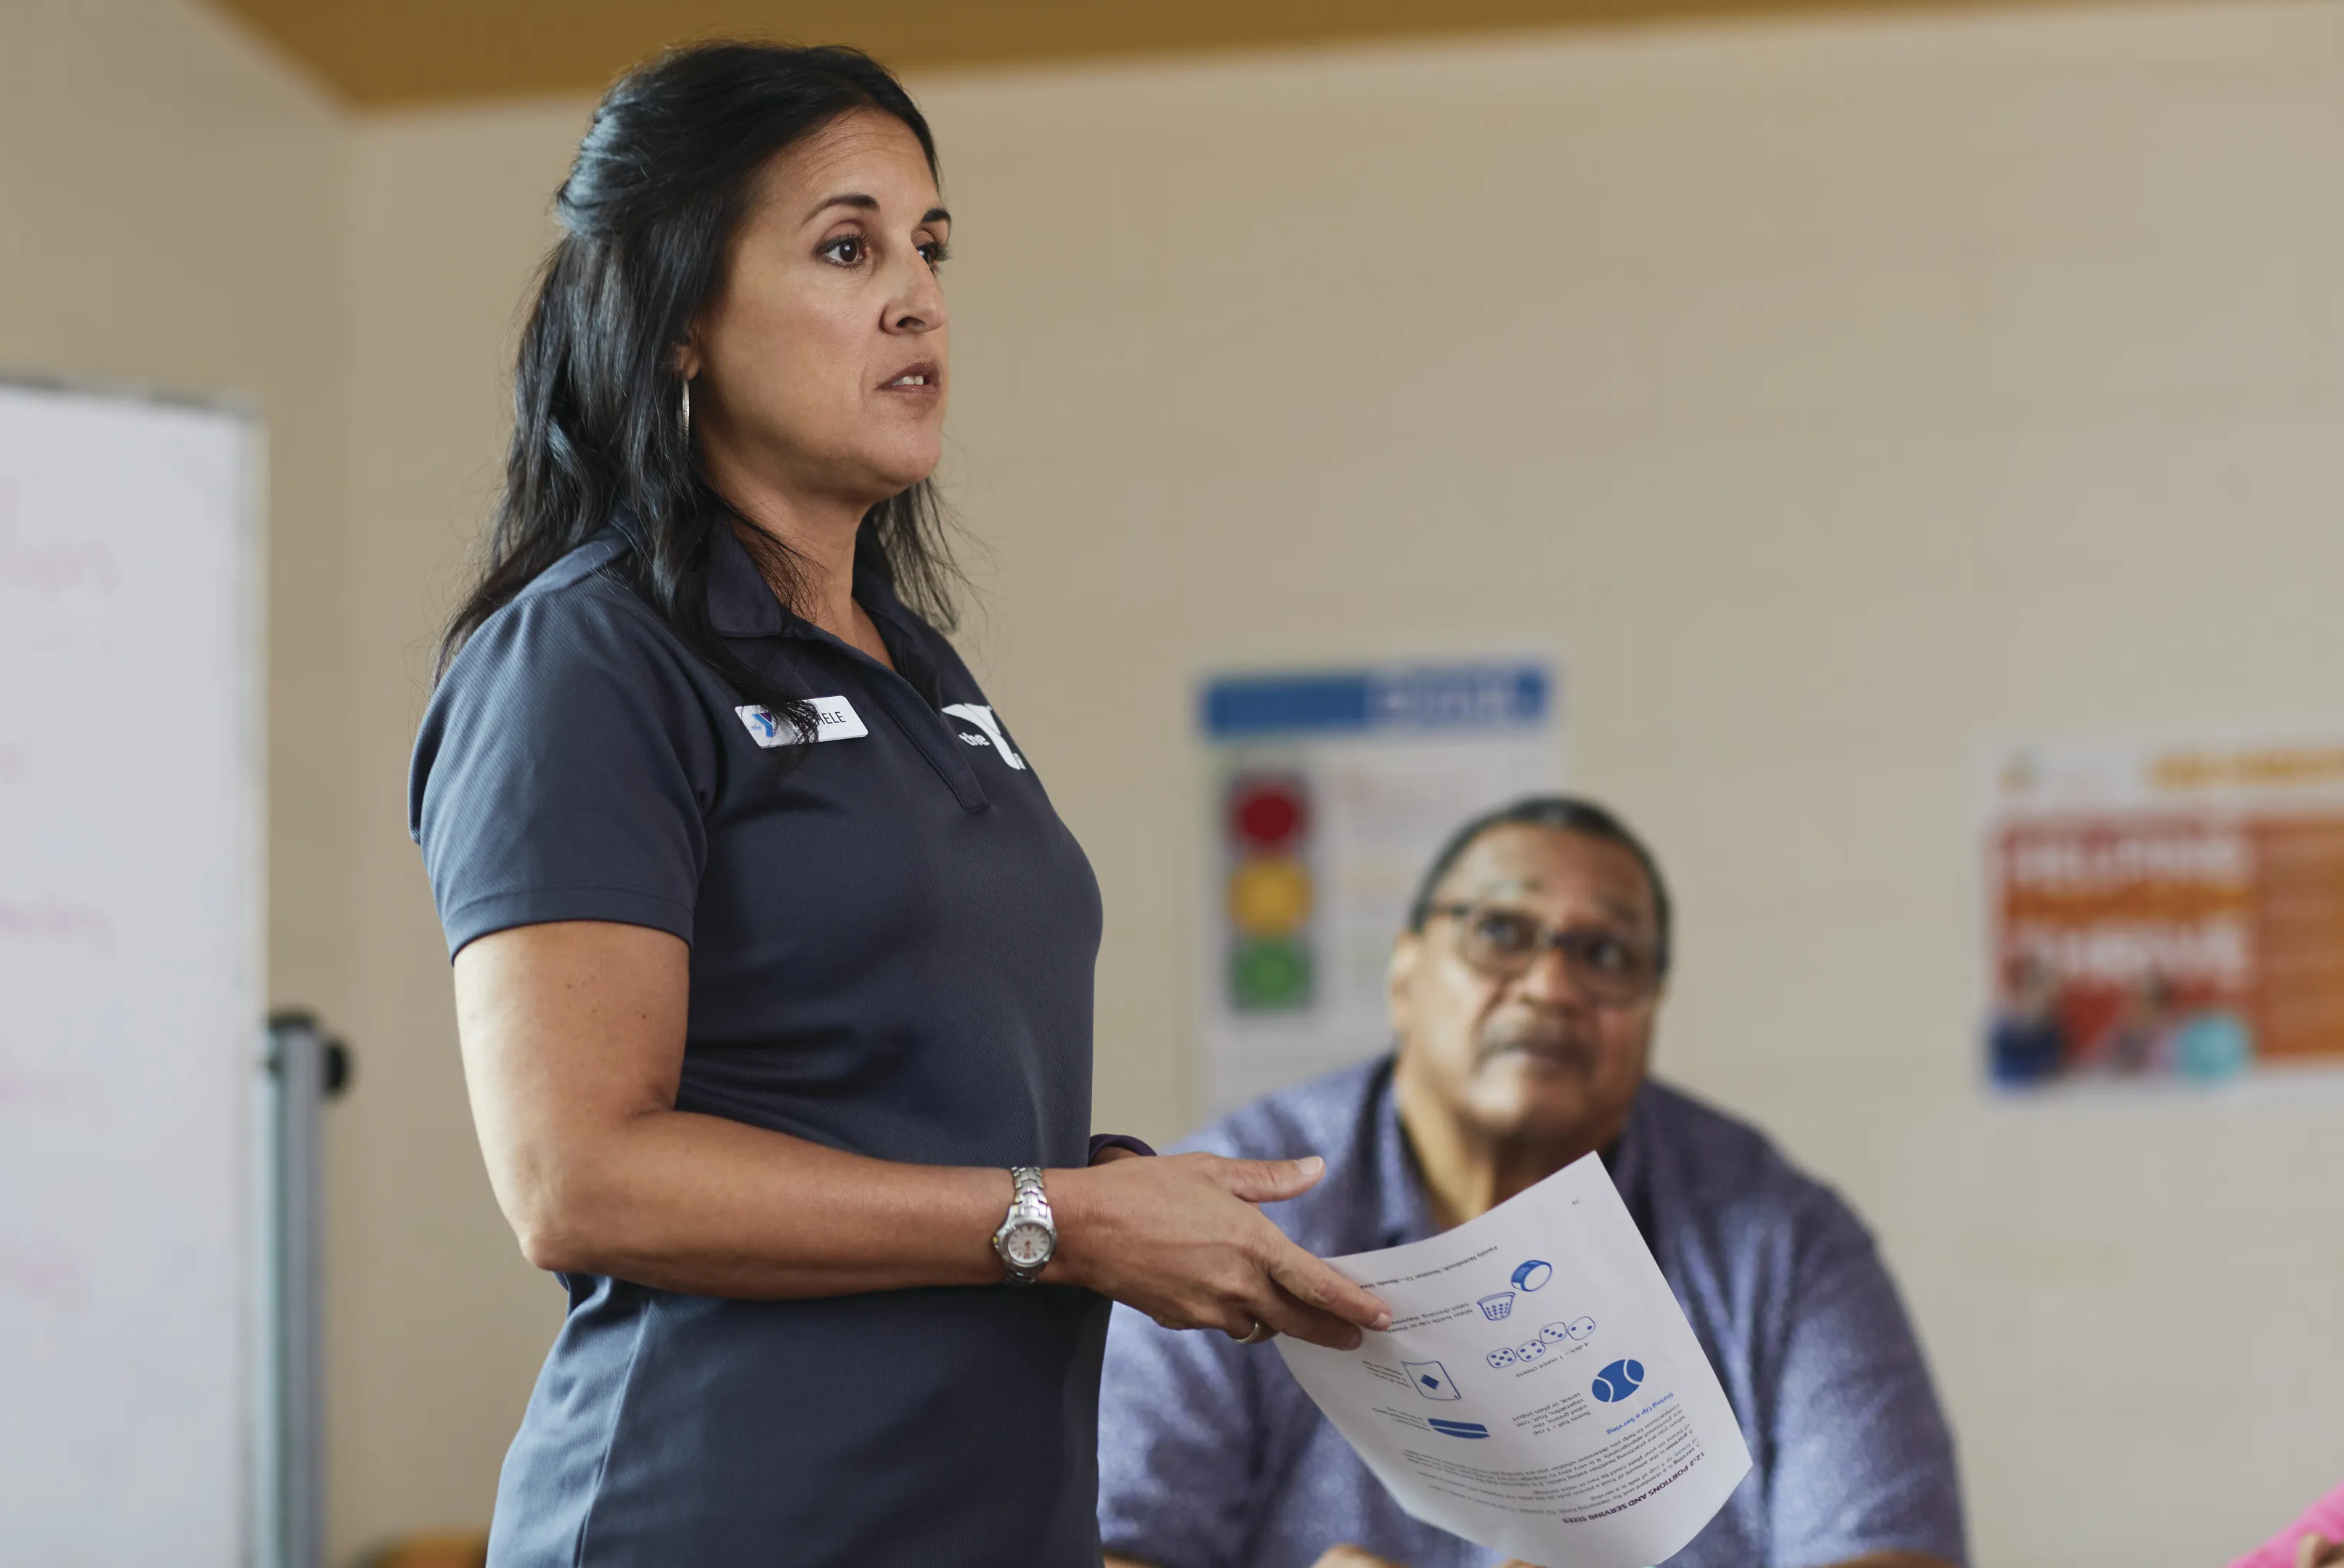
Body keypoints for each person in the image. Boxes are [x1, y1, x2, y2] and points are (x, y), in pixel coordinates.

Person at [407, 42, 1391, 1568]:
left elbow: (919, 1111)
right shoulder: (586, 657)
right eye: (847, 247)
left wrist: (1122, 1203)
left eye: (931, 247)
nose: (920, 297)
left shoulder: (921, 673)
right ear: (677, 321)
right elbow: (575, 1178)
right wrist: (1059, 1222)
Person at [1098, 796, 1968, 1568]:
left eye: (1606, 953)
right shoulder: (1239, 1212)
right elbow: (1107, 1544)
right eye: (1502, 934)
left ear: (1653, 1006)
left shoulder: (1784, 1241)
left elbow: (1891, 1545)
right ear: (1404, 972)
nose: (1553, 986)